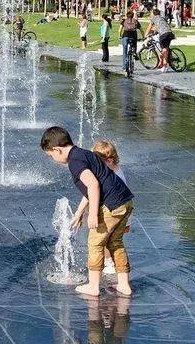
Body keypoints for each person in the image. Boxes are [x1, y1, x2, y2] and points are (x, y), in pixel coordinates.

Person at [41, 126, 134, 297]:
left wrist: (91, 214)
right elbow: (93, 187)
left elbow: (93, 185)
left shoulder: (75, 162)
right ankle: (124, 285)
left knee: (95, 244)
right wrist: (79, 213)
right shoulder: (83, 154)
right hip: (125, 201)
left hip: (111, 206)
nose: (53, 159)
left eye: (51, 155)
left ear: (57, 149)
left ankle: (93, 286)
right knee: (116, 243)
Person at [92, 140, 129, 276]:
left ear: (110, 160)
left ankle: (110, 263)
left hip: (114, 211)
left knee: (107, 239)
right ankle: (113, 263)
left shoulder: (112, 175)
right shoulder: (115, 169)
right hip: (120, 210)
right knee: (113, 240)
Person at [144, 8, 174, 72]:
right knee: (165, 48)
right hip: (170, 33)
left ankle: (165, 66)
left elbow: (149, 28)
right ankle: (166, 63)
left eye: (151, 13)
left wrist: (145, 35)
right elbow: (162, 26)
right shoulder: (162, 18)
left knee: (164, 49)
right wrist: (155, 32)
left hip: (163, 34)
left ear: (153, 14)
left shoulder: (153, 19)